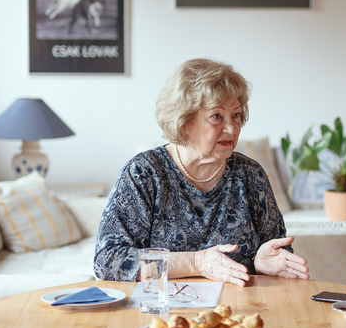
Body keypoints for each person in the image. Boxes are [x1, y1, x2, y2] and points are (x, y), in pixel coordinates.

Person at [93, 58, 309, 286]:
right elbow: (108, 260)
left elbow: (278, 255)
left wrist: (263, 265)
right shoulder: (144, 173)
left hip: (238, 310)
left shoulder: (250, 174)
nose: (232, 128)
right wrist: (196, 262)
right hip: (163, 309)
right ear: (184, 122)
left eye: (236, 115)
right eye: (217, 116)